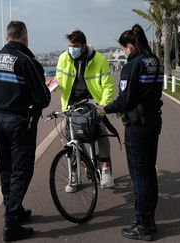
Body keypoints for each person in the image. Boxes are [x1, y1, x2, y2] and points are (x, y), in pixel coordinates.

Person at [0, 21, 51, 242]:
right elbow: (42, 98)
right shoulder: (26, 61)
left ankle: (16, 209)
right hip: (19, 123)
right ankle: (11, 222)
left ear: (7, 37)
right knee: (22, 171)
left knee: (6, 169)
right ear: (24, 37)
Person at [98, 24, 163, 241]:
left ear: (130, 45)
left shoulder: (133, 65)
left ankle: (143, 225)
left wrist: (104, 109)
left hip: (137, 125)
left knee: (139, 175)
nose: (124, 52)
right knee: (149, 171)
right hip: (154, 120)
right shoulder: (155, 61)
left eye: (124, 48)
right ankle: (148, 219)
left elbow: (124, 99)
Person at [54, 30, 115, 190]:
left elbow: (108, 85)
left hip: (93, 102)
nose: (71, 49)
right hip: (71, 104)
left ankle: (106, 168)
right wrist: (51, 86)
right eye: (69, 46)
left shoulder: (99, 59)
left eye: (74, 46)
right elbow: (59, 81)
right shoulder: (63, 58)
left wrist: (103, 105)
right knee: (72, 139)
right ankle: (74, 174)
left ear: (83, 46)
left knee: (101, 132)